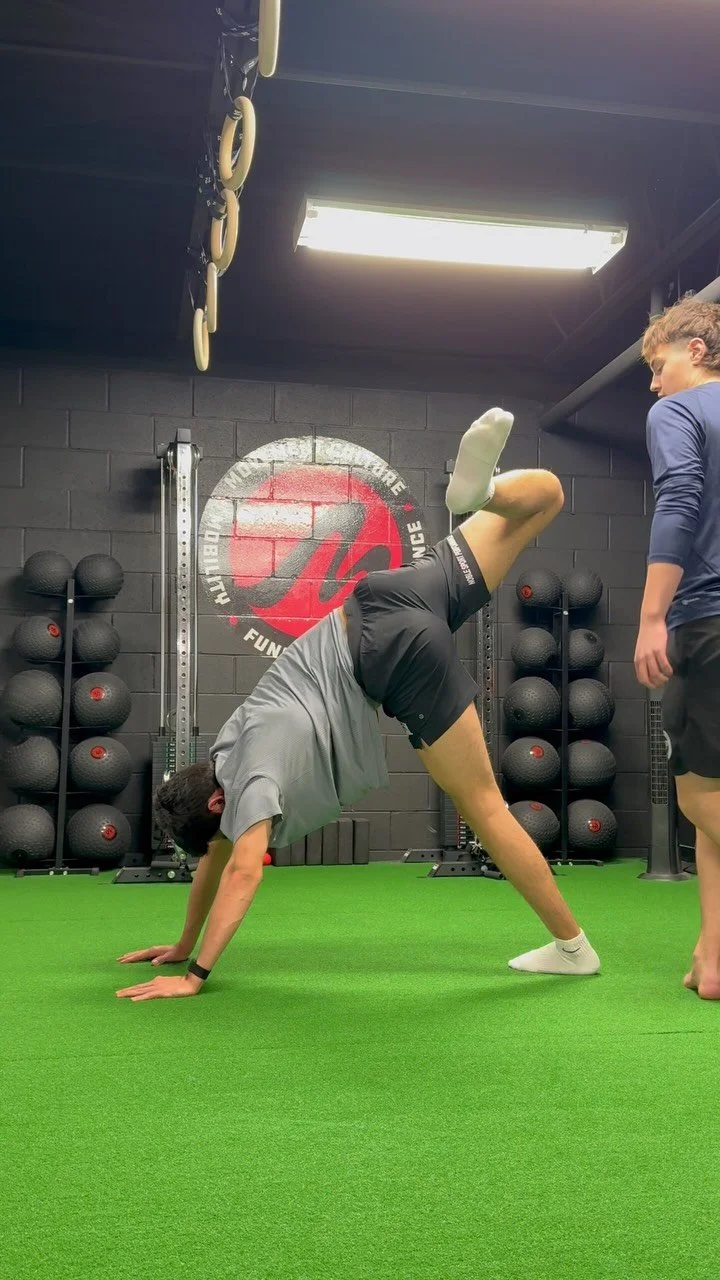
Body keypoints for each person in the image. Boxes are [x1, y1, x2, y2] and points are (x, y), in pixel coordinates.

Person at [116, 408, 601, 1002]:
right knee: (545, 499)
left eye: (223, 826)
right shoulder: (225, 751)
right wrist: (181, 941)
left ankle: (574, 949)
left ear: (220, 802)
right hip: (390, 595)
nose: (230, 835)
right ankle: (485, 494)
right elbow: (218, 857)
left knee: (484, 807)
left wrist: (193, 977)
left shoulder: (253, 782)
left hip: (394, 655)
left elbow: (241, 872)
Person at [634, 297, 720, 1001]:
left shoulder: (678, 412)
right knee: (716, 795)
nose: (655, 384)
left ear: (696, 349)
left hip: (708, 620)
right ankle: (712, 957)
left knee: (697, 795)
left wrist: (651, 615)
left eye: (659, 366)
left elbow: (681, 499)